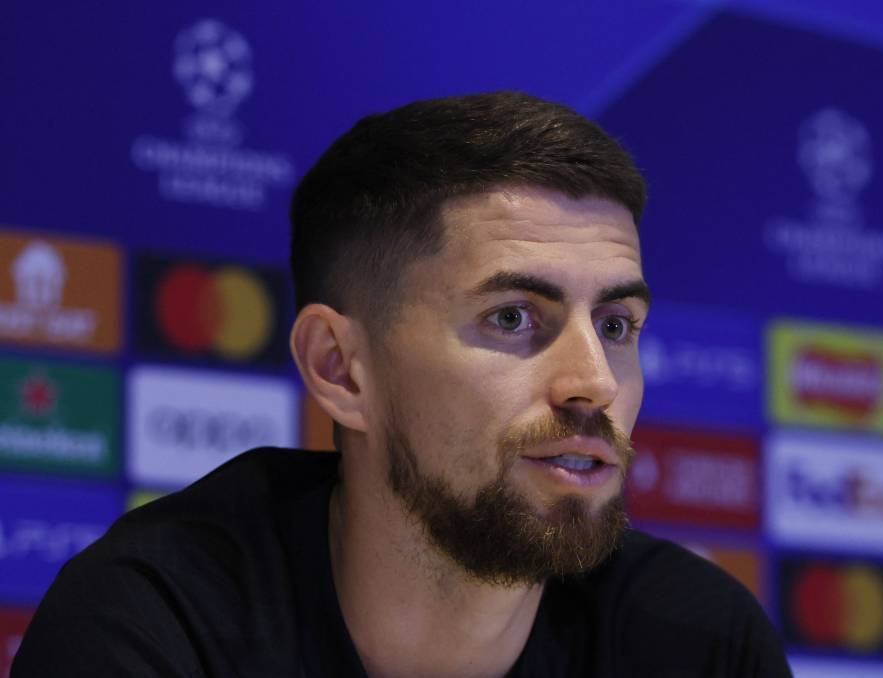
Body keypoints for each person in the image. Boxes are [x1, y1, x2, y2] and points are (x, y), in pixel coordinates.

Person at [13, 92, 792, 677]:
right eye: (514, 318)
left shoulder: (697, 644)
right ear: (339, 369)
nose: (593, 384)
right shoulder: (154, 626)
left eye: (616, 326)